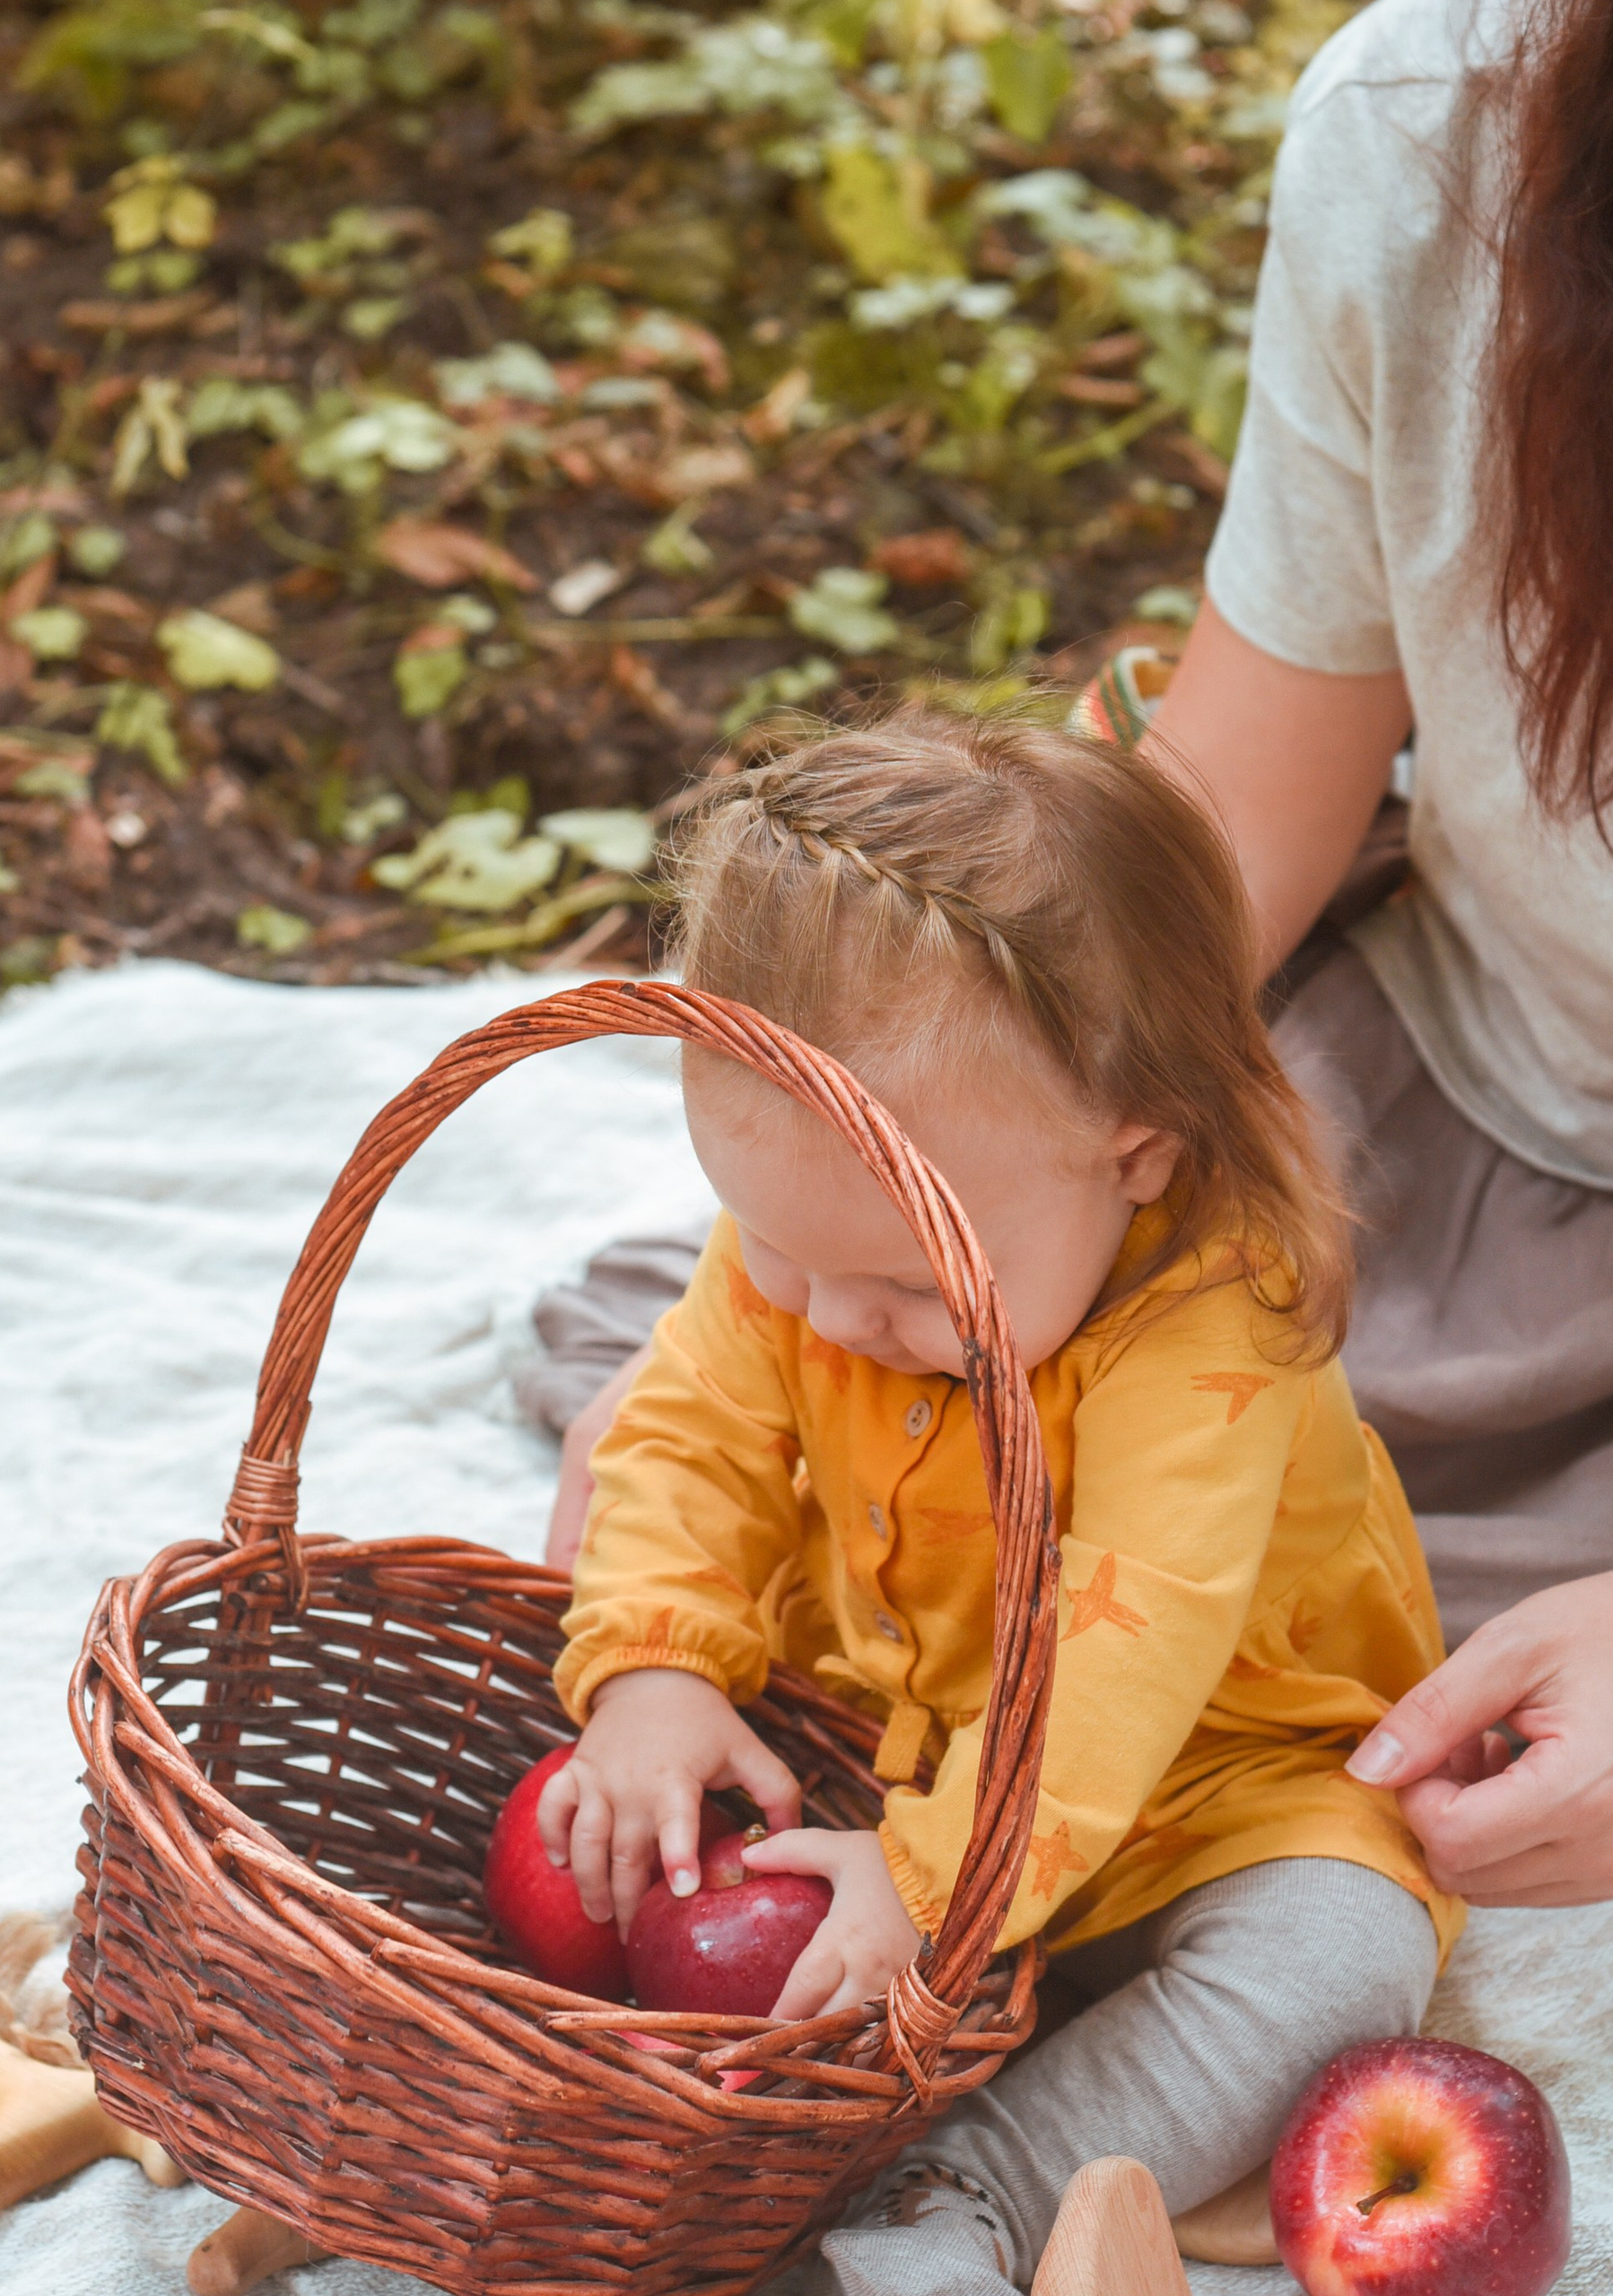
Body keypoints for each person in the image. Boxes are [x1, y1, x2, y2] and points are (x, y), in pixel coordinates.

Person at [545, 0, 1613, 1915]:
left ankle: (1178, 1592)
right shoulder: (1426, 131)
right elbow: (1227, 817)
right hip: (1387, 1080)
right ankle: (1237, 1598)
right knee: (775, 1312)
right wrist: (884, 1193)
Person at [538, 709, 1461, 2296]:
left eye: (903, 1282)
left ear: (1139, 1158)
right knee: (647, 1775)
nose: (825, 1317)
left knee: (1349, 1944)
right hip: (885, 1749)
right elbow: (690, 1429)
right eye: (771, 1250)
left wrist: (935, 1884)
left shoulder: (1215, 1322)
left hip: (1202, 1784)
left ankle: (973, 2183)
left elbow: (1124, 1642)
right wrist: (655, 1668)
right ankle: (731, 2121)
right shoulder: (821, 1250)